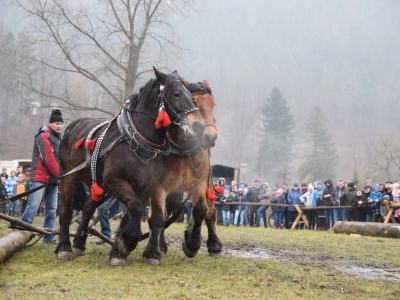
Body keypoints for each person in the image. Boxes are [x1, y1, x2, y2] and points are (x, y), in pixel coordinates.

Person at [21, 109, 64, 244]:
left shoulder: (58, 137)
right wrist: (61, 176)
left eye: (61, 123)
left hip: (53, 179)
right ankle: (21, 232)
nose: (59, 126)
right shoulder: (43, 136)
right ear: (50, 123)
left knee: (51, 209)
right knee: (33, 206)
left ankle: (48, 236)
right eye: (57, 123)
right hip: (40, 178)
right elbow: (49, 159)